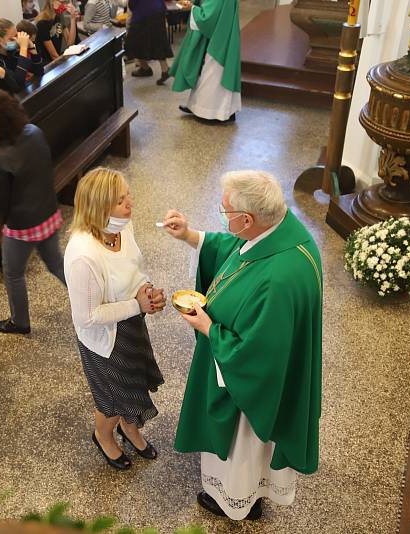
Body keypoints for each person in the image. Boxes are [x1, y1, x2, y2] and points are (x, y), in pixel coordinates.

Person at [162, 170, 322, 520]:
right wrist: (191, 236)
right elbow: (240, 249)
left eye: (226, 213)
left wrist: (208, 327)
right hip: (261, 374)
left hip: (250, 391)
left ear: (247, 218)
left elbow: (256, 358)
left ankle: (236, 498)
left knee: (243, 446)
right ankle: (254, 490)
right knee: (257, 452)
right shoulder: (280, 231)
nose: (223, 217)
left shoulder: (278, 280)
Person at [64, 167, 166, 470]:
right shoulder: (83, 255)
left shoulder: (121, 226)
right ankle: (103, 434)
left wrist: (145, 288)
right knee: (111, 397)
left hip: (130, 323)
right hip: (103, 340)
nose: (131, 203)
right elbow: (87, 316)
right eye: (122, 200)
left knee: (133, 382)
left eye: (128, 195)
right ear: (100, 208)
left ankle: (129, 426)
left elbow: (133, 266)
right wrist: (138, 304)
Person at [0, 88, 65, 334]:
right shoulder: (34, 132)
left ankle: (20, 322)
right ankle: (91, 294)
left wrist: (3, 221)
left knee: (13, 273)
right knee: (56, 264)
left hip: (21, 226)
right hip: (47, 212)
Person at [169, 0, 240, 122]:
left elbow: (208, 17)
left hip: (219, 36)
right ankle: (199, 107)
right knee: (206, 72)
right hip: (221, 29)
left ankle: (209, 112)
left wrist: (193, 8)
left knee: (212, 72)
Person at [0, 18, 44, 92]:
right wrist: (23, 48)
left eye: (16, 36)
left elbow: (39, 71)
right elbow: (17, 84)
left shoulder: (11, 50)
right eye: (11, 39)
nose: (16, 41)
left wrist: (32, 48)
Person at [125, 0, 173, 84]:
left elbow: (132, 3)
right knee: (158, 41)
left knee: (132, 43)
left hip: (143, 13)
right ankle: (165, 70)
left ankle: (145, 68)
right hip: (158, 9)